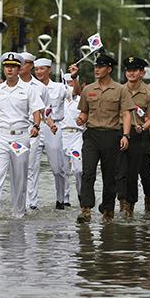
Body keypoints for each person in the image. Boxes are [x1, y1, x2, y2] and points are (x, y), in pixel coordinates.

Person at [0, 52, 45, 220]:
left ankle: (18, 212)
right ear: (3, 69)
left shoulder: (29, 90)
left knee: (19, 177)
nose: (9, 70)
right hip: (1, 136)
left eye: (13, 67)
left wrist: (36, 126)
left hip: (20, 137)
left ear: (19, 69)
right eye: (7, 67)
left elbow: (36, 111)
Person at [75, 52, 134, 223]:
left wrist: (126, 135)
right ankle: (86, 209)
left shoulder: (120, 90)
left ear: (109, 69)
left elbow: (126, 114)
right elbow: (84, 112)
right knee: (88, 173)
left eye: (100, 67)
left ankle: (108, 210)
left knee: (110, 176)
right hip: (92, 135)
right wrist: (81, 119)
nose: (96, 69)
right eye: (95, 66)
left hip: (111, 135)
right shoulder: (88, 89)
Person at [115, 56, 150, 218]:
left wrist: (148, 134)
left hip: (140, 135)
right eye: (128, 70)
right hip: (120, 132)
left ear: (141, 72)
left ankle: (148, 199)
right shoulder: (119, 90)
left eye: (134, 70)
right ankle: (123, 202)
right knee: (120, 171)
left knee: (142, 172)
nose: (131, 73)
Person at [32, 58, 69, 210]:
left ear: (49, 70)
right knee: (31, 167)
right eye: (37, 69)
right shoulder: (31, 87)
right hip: (34, 126)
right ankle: (31, 203)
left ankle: (61, 199)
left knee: (57, 168)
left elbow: (76, 94)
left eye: (42, 69)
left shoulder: (60, 87)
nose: (39, 72)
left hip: (53, 128)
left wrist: (73, 78)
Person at [17, 53, 50, 210]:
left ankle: (31, 203)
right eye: (19, 63)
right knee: (16, 167)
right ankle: (18, 200)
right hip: (14, 131)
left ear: (30, 66)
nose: (20, 66)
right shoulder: (9, 85)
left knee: (32, 167)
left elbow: (46, 111)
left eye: (24, 64)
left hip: (33, 130)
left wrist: (48, 124)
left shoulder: (41, 88)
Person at [61, 73, 84, 208]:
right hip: (62, 136)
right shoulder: (58, 100)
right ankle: (64, 199)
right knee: (63, 170)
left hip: (77, 136)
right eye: (67, 82)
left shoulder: (82, 100)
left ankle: (82, 196)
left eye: (72, 82)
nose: (69, 85)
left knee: (78, 170)